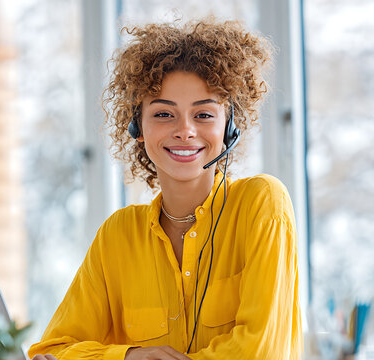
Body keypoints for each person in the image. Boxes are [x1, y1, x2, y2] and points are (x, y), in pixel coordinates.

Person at [29, 18, 302, 360]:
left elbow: (260, 352)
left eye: (203, 115)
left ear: (229, 128)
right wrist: (131, 356)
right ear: (136, 126)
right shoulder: (118, 236)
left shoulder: (262, 203)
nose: (185, 130)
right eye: (163, 114)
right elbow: (53, 350)